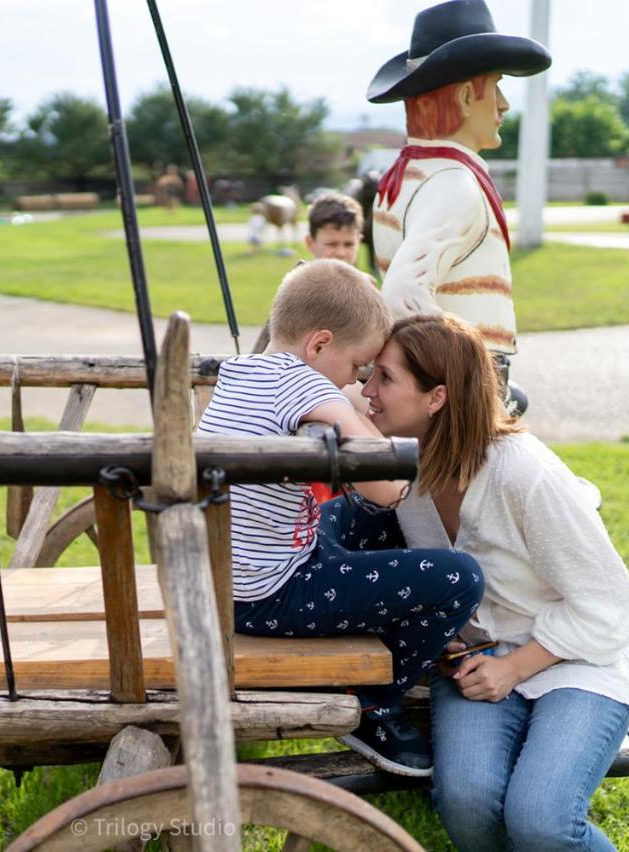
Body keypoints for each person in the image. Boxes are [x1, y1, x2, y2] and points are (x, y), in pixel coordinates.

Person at [360, 313, 629, 850]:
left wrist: (514, 667)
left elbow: (609, 603)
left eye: (384, 377)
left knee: (540, 821)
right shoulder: (408, 469)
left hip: (579, 659)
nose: (366, 390)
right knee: (468, 805)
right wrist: (439, 630)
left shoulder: (525, 472)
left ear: (436, 397)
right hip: (477, 664)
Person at [197, 259, 484, 777]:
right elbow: (389, 486)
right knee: (461, 578)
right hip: (268, 597)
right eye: (359, 367)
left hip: (230, 575)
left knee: (357, 515)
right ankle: (372, 704)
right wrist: (355, 411)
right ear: (320, 345)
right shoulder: (307, 387)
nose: (362, 381)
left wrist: (346, 401)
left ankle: (369, 631)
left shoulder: (244, 368)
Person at [367, 0, 551, 408]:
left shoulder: (405, 176)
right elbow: (402, 294)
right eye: (496, 85)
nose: (503, 103)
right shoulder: (453, 184)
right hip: (460, 386)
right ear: (468, 97)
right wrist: (469, 378)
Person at [304, 192, 364, 265]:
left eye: (349, 244)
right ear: (310, 243)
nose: (341, 253)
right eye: (331, 244)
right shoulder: (299, 276)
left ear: (358, 242)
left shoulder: (363, 277)